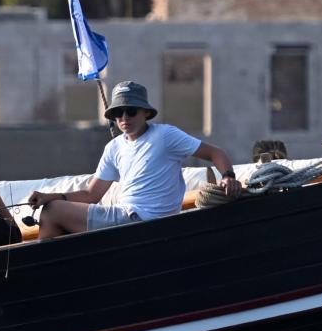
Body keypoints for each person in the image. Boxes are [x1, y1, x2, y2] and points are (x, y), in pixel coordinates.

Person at [28, 79, 237, 239]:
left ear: (145, 112)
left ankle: (40, 276)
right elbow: (91, 194)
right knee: (52, 207)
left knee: (52, 212)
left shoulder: (165, 135)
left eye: (131, 111)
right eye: (118, 113)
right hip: (126, 217)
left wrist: (227, 176)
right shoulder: (114, 147)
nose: (124, 118)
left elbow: (215, 153)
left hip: (144, 222)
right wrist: (50, 195)